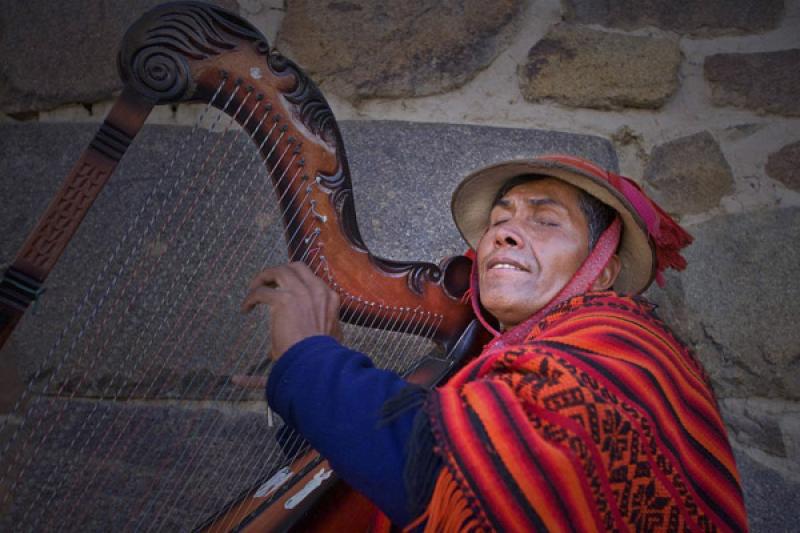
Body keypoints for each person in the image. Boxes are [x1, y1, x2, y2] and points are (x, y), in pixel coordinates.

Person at [241, 154, 748, 531]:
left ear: (603, 272)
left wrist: (311, 360)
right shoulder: (503, 371)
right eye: (499, 221)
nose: (504, 233)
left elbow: (447, 473)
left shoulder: (624, 346)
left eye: (546, 221)